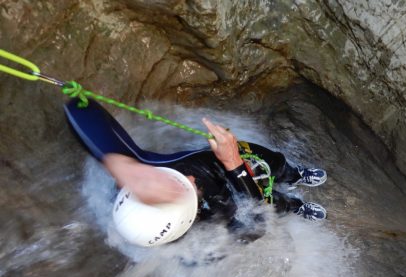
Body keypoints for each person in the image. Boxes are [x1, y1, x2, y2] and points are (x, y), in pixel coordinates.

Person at [64, 99, 328, 244]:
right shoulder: (210, 238)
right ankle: (294, 204)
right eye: (185, 188)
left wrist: (120, 164)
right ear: (186, 220)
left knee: (273, 163)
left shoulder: (142, 183)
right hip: (234, 184)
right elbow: (260, 216)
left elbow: (79, 111)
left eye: (174, 179)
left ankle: (292, 174)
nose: (189, 177)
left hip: (214, 159)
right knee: (275, 203)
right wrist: (233, 162)